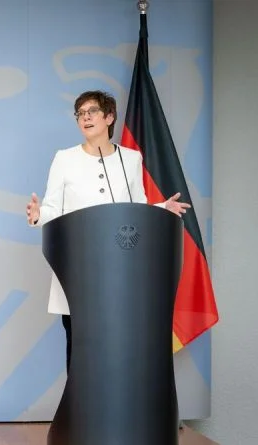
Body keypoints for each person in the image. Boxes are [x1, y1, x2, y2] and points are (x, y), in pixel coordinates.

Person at [25, 90, 190, 372]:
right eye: (80, 113)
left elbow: (136, 208)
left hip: (120, 271)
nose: (85, 118)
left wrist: (162, 208)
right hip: (78, 271)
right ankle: (80, 401)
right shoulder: (65, 159)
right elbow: (53, 208)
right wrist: (39, 216)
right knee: (81, 349)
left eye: (92, 111)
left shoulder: (131, 159)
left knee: (118, 347)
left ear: (109, 117)